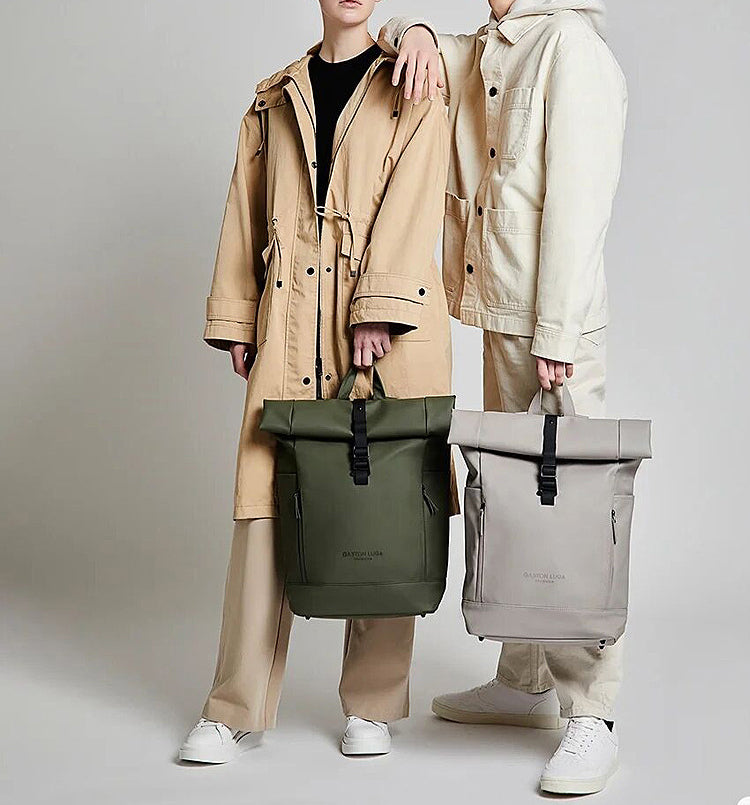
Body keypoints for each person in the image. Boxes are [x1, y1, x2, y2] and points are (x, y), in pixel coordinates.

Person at [178, 0, 453, 763]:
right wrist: (239, 317)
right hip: (291, 318)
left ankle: (372, 703)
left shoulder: (413, 80)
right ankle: (234, 705)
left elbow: (417, 199)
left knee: (385, 505)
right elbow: (244, 212)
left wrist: (380, 306)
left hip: (384, 328)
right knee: (265, 499)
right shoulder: (271, 101)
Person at [379, 0, 627, 795]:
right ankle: (524, 681)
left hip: (552, 329)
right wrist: (415, 32)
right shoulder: (500, 43)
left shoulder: (570, 46)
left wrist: (557, 328)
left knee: (572, 518)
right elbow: (411, 41)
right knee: (516, 507)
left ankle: (593, 714)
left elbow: (581, 200)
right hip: (505, 315)